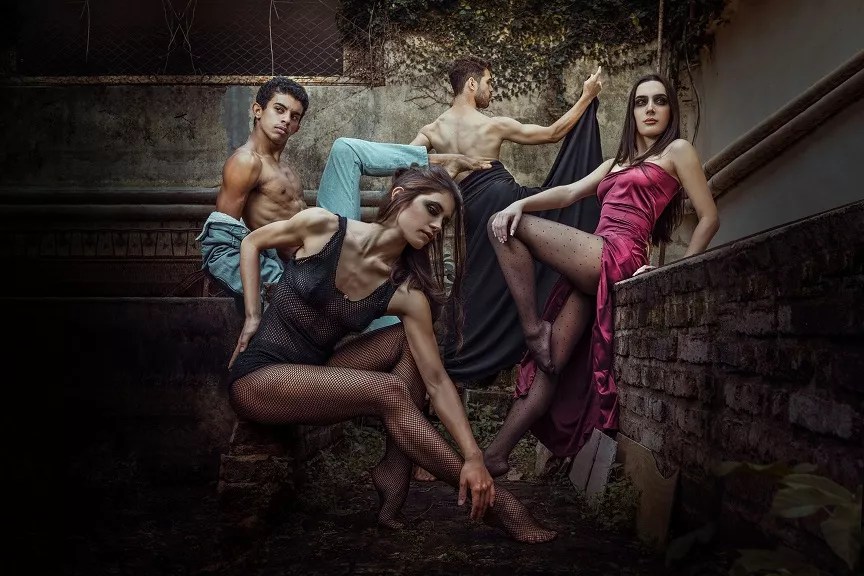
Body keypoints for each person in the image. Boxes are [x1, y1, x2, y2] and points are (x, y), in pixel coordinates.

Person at [226, 163, 557, 543]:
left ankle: (395, 468)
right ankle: (503, 507)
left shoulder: (405, 293)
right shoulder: (322, 227)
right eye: (432, 209)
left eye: (444, 221)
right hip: (259, 377)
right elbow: (251, 242)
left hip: (317, 368)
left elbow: (436, 381)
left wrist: (473, 455)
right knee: (389, 391)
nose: (436, 226)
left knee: (410, 341)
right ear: (400, 197)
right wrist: (252, 316)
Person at [483, 73, 720, 477]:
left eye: (659, 101)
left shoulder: (678, 151)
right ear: (631, 112)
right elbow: (568, 192)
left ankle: (532, 328)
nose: (650, 109)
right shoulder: (615, 163)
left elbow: (709, 217)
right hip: (594, 258)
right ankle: (496, 455)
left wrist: (677, 272)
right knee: (550, 363)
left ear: (670, 110)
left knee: (501, 227)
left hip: (620, 254)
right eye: (641, 102)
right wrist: (520, 204)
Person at [197, 76, 488, 310]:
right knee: (345, 149)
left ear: (298, 126)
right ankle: (432, 162)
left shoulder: (283, 168)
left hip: (325, 248)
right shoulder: (245, 162)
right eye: (279, 109)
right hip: (310, 267)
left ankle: (428, 165)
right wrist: (276, 287)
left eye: (294, 116)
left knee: (391, 308)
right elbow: (221, 244)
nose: (286, 120)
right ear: (258, 110)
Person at [409, 55, 605, 386]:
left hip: (472, 210)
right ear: (471, 84)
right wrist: (587, 96)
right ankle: (527, 336)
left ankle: (465, 363)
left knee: (483, 280)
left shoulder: (431, 130)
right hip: (503, 200)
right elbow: (553, 133)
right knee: (558, 218)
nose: (491, 90)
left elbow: (403, 163)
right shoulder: (492, 124)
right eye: (489, 83)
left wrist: (444, 159)